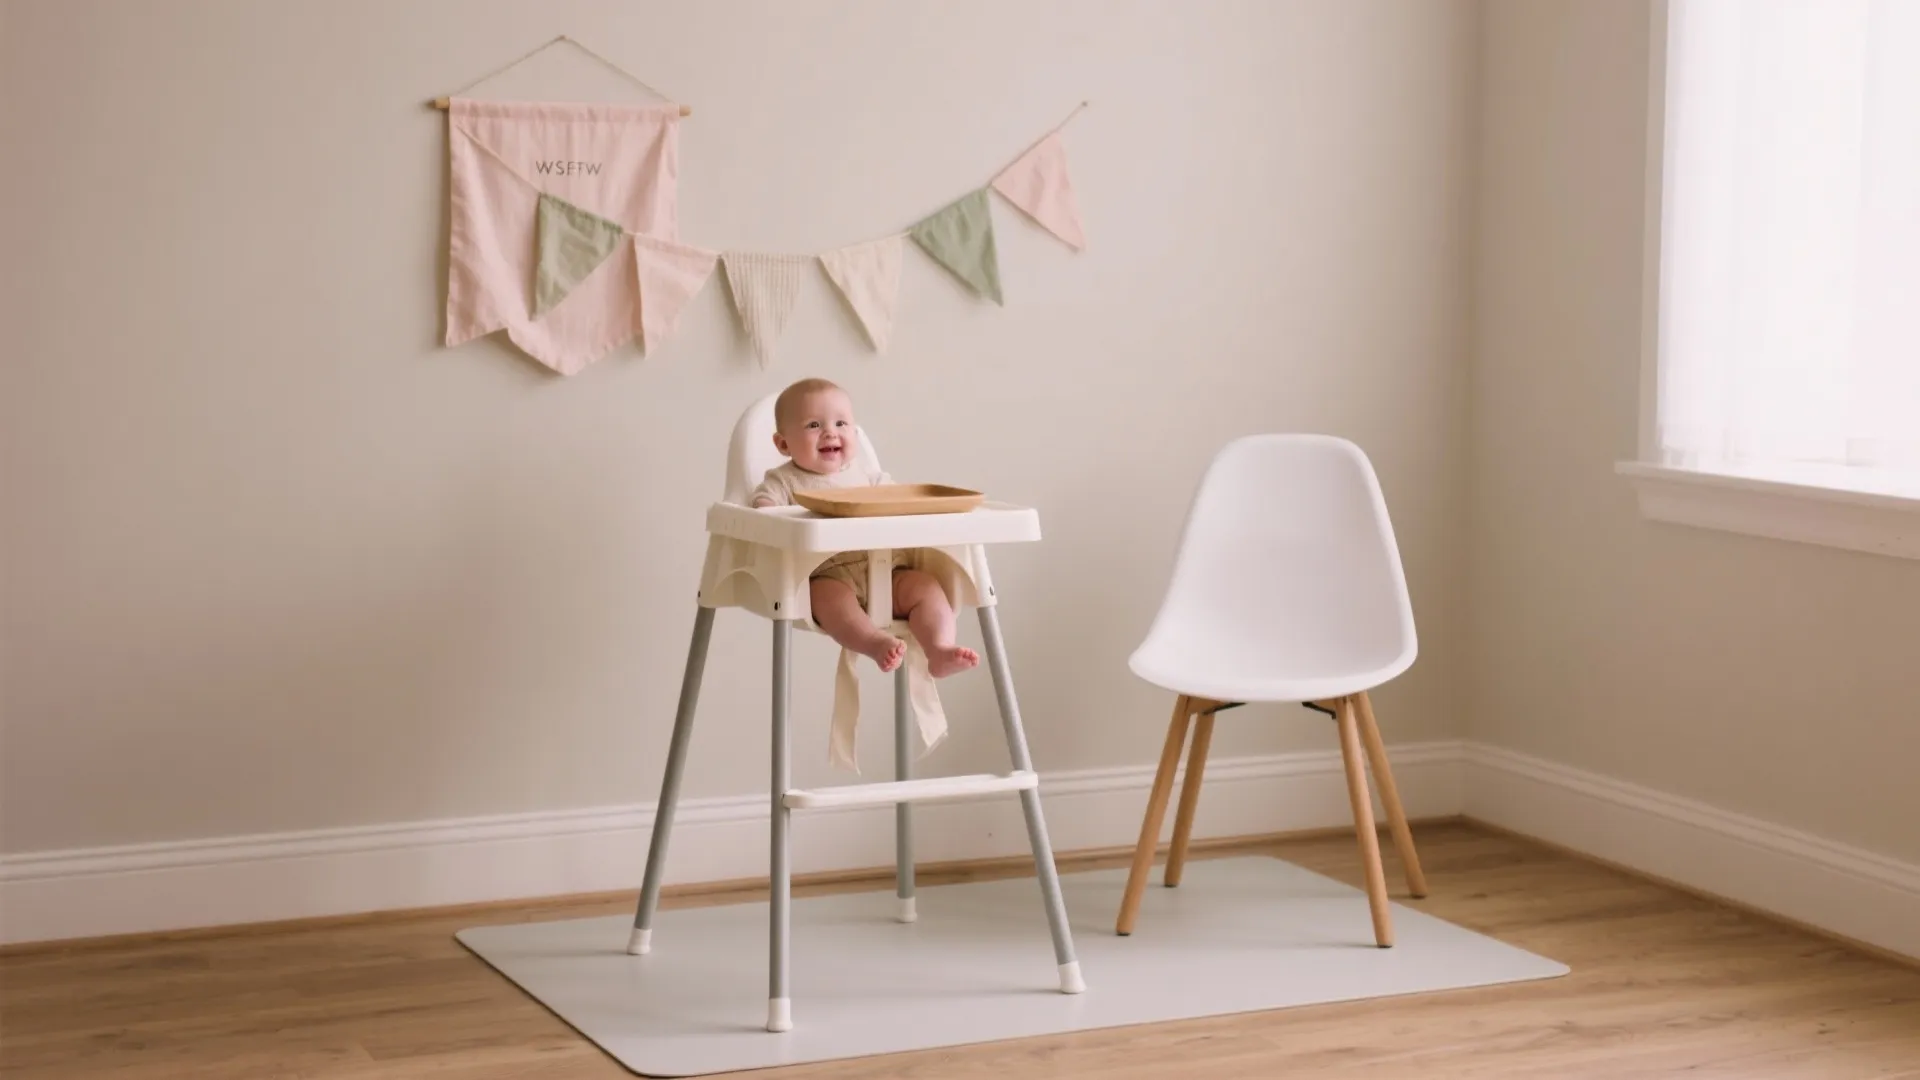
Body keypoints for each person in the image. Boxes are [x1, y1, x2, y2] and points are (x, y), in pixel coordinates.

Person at [751, 378, 979, 678]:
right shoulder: (783, 480)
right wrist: (770, 515)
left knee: (926, 588)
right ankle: (873, 642)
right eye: (813, 425)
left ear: (854, 433)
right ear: (783, 444)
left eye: (841, 423)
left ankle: (939, 648)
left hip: (887, 569)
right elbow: (762, 509)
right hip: (827, 573)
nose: (830, 432)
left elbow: (900, 502)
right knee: (829, 601)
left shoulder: (868, 477)